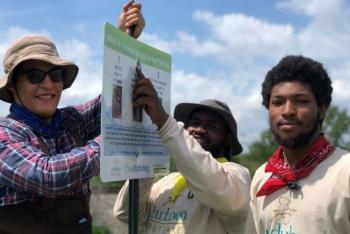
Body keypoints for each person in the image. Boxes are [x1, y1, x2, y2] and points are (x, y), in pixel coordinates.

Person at [0, 2, 144, 233]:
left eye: (55, 74)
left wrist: (125, 41)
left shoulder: (72, 121)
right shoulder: (5, 133)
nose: (48, 84)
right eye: (35, 75)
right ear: (13, 87)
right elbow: (46, 177)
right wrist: (113, 141)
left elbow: (116, 96)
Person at [113, 68, 251, 234]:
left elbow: (210, 181)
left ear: (228, 138)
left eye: (211, 125)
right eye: (195, 122)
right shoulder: (167, 182)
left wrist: (164, 123)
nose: (199, 129)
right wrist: (149, 153)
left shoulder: (236, 176)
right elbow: (126, 214)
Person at [250, 55, 350, 233]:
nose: (287, 111)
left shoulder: (345, 171)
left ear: (322, 108)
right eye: (278, 102)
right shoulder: (262, 177)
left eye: (301, 101)